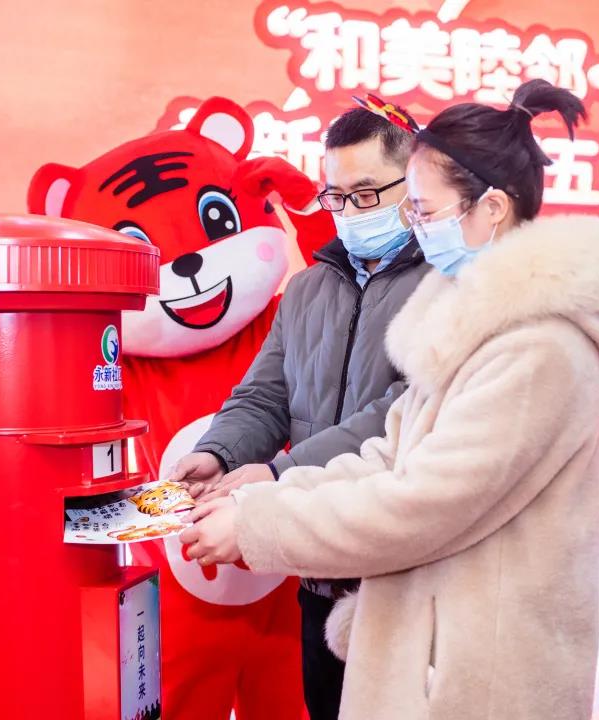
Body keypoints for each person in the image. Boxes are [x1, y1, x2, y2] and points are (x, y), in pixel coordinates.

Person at [181, 78, 599, 720]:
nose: (416, 228)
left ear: (492, 208)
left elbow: (422, 503)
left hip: (482, 667)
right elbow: (387, 453)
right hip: (424, 634)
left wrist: (261, 521)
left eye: (422, 210)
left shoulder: (539, 350)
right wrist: (254, 497)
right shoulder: (464, 324)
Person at [168, 102, 430, 720]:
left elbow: (401, 413)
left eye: (367, 194)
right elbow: (264, 395)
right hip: (316, 570)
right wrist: (218, 453)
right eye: (336, 197)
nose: (350, 213)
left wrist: (279, 474)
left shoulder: (443, 284)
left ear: (415, 182)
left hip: (398, 569)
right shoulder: (308, 288)